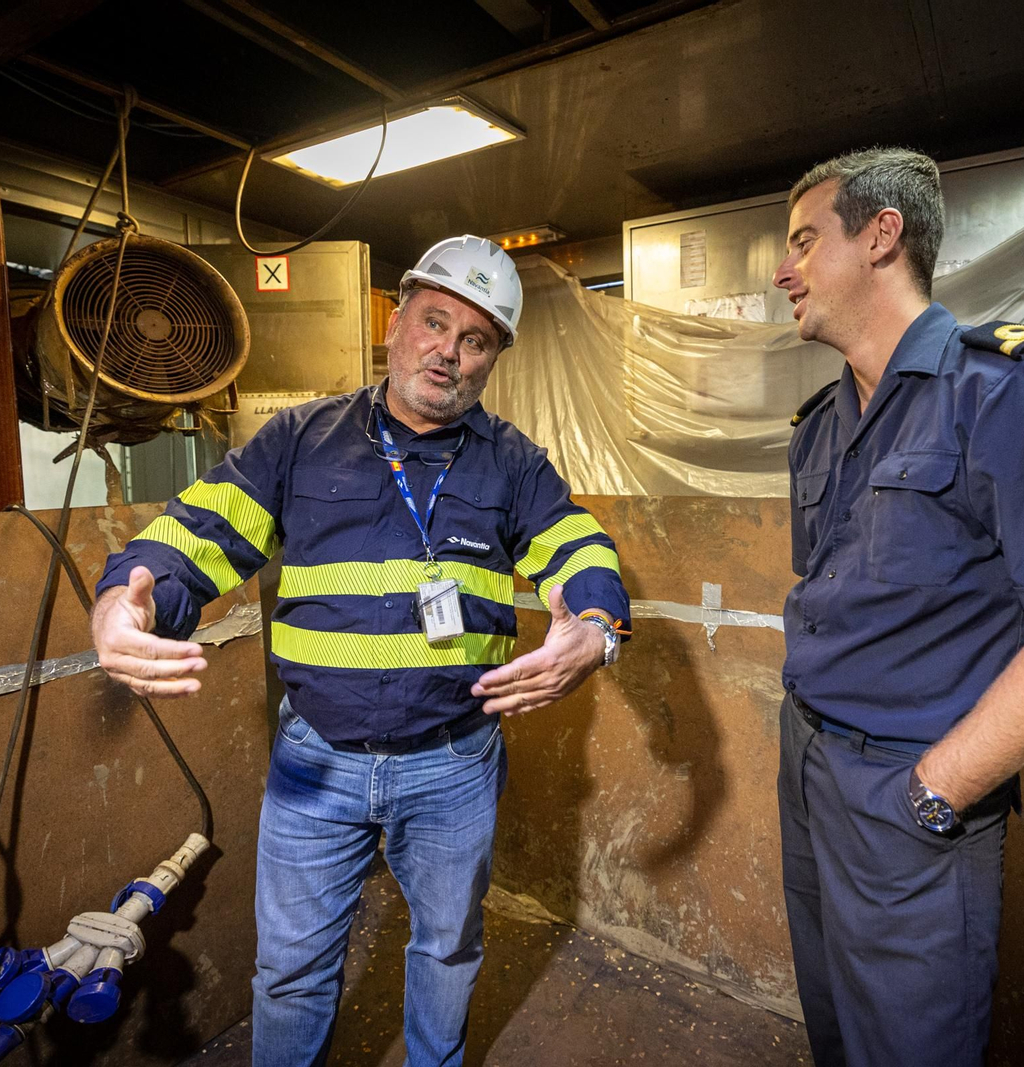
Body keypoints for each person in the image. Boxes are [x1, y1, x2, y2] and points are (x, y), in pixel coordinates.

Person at [89, 235, 630, 1067]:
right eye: (435, 321)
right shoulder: (301, 438)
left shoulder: (513, 461)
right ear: (396, 323)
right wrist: (127, 599)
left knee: (446, 951)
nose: (448, 350)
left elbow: (581, 549)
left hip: (454, 764)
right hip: (315, 764)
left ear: (492, 360)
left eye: (476, 338)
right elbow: (196, 534)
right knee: (292, 971)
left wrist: (595, 629)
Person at [771, 148, 1024, 1066]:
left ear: (882, 235)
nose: (784, 270)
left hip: (908, 788)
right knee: (835, 1025)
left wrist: (933, 794)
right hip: (811, 763)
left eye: (806, 241)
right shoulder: (819, 426)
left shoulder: (1003, 389)